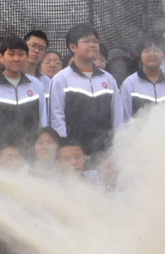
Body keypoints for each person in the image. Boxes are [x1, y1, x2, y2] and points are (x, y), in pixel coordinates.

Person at [48, 24, 123, 157]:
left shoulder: (108, 79)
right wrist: (65, 150)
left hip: (104, 155)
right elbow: (56, 118)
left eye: (95, 41)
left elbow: (118, 117)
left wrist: (116, 149)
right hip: (75, 156)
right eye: (87, 41)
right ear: (73, 47)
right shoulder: (61, 79)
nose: (93, 45)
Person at [0, 37, 47, 152]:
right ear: (1, 56)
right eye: (11, 54)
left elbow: (43, 119)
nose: (16, 59)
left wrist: (41, 146)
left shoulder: (36, 84)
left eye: (21, 54)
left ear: (26, 56)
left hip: (31, 152)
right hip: (1, 153)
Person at [119, 34, 165, 121]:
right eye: (147, 51)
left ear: (163, 55)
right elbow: (124, 119)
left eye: (157, 50)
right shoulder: (129, 84)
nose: (152, 54)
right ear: (140, 57)